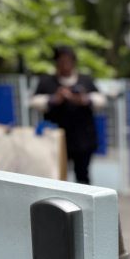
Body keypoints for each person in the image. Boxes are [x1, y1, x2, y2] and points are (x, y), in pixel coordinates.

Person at [30, 46, 106, 184]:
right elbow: (34, 101)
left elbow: (100, 99)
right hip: (56, 139)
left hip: (83, 139)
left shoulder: (85, 80)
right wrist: (54, 99)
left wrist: (83, 100)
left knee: (82, 176)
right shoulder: (47, 81)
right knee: (57, 176)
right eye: (61, 61)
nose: (65, 65)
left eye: (68, 61)